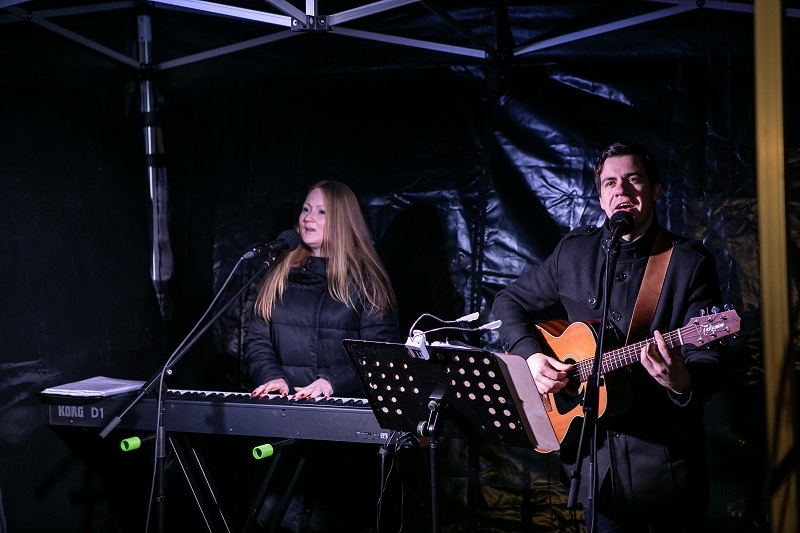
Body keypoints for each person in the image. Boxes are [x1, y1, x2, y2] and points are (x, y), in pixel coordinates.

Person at [491, 141, 725, 532]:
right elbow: (508, 301)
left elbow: (712, 357)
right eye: (610, 183)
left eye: (634, 180)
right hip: (595, 472)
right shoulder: (574, 254)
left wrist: (683, 381)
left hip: (664, 476)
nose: (622, 191)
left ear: (655, 189)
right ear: (601, 197)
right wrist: (531, 356)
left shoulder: (688, 263)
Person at [243, 180, 400, 532]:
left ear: (343, 221)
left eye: (321, 211)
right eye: (305, 209)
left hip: (341, 440)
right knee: (275, 517)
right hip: (282, 426)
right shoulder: (280, 274)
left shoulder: (367, 282)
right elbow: (257, 339)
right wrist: (270, 375)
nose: (308, 218)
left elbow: (379, 356)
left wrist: (331, 381)